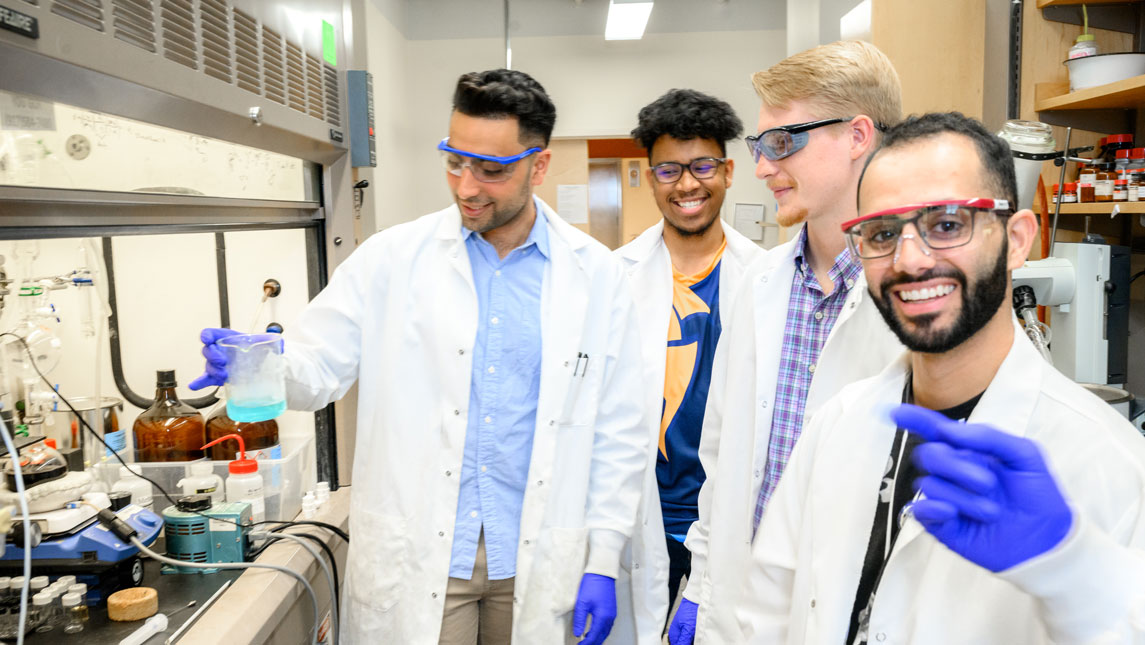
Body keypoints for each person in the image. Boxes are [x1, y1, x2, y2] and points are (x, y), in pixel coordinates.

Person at [191, 69, 649, 645]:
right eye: (454, 161)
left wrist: (603, 559)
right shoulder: (391, 259)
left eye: (491, 170)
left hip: (537, 554)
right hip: (422, 552)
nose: (466, 187)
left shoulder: (597, 274)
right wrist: (265, 362)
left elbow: (619, 428)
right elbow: (319, 368)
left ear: (539, 166)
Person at [737, 111, 1145, 644]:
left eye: (948, 224)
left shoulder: (1110, 463)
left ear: (1017, 239)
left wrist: (1071, 570)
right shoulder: (838, 422)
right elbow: (766, 613)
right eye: (883, 233)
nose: (909, 260)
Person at [668, 41, 905, 644]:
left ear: (857, 136)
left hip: (855, 610)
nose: (762, 167)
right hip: (742, 602)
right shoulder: (759, 283)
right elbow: (720, 453)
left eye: (782, 142)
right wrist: (699, 585)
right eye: (760, 145)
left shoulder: (916, 289)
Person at [613, 88, 764, 643]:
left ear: (727, 171)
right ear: (650, 178)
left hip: (729, 518)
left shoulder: (766, 278)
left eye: (702, 166)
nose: (686, 185)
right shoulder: (616, 277)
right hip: (642, 516)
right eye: (669, 170)